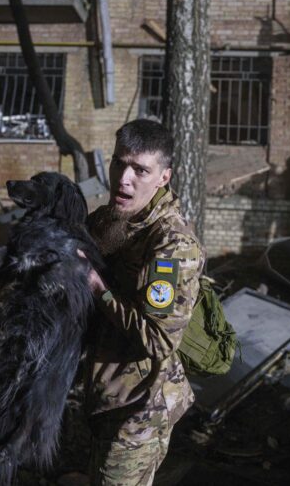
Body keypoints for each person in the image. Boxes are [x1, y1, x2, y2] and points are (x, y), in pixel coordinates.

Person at [82, 119, 205, 485]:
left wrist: (98, 288)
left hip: (141, 408)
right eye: (119, 163)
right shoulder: (110, 219)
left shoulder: (172, 246)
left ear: (163, 177)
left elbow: (159, 339)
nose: (124, 179)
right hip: (109, 393)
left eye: (140, 170)